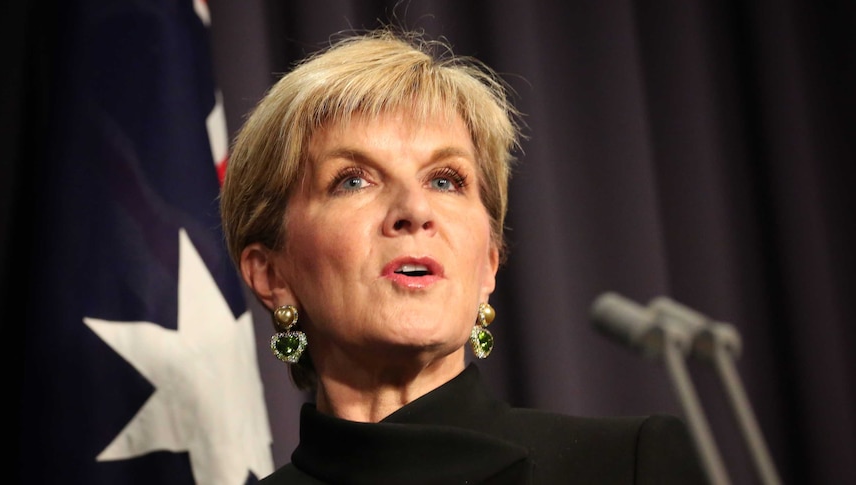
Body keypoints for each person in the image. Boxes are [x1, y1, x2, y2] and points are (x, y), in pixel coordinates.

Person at [220, 27, 708, 484]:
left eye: (445, 180)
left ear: (488, 265)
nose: (414, 210)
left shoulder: (627, 466)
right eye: (353, 180)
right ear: (270, 275)